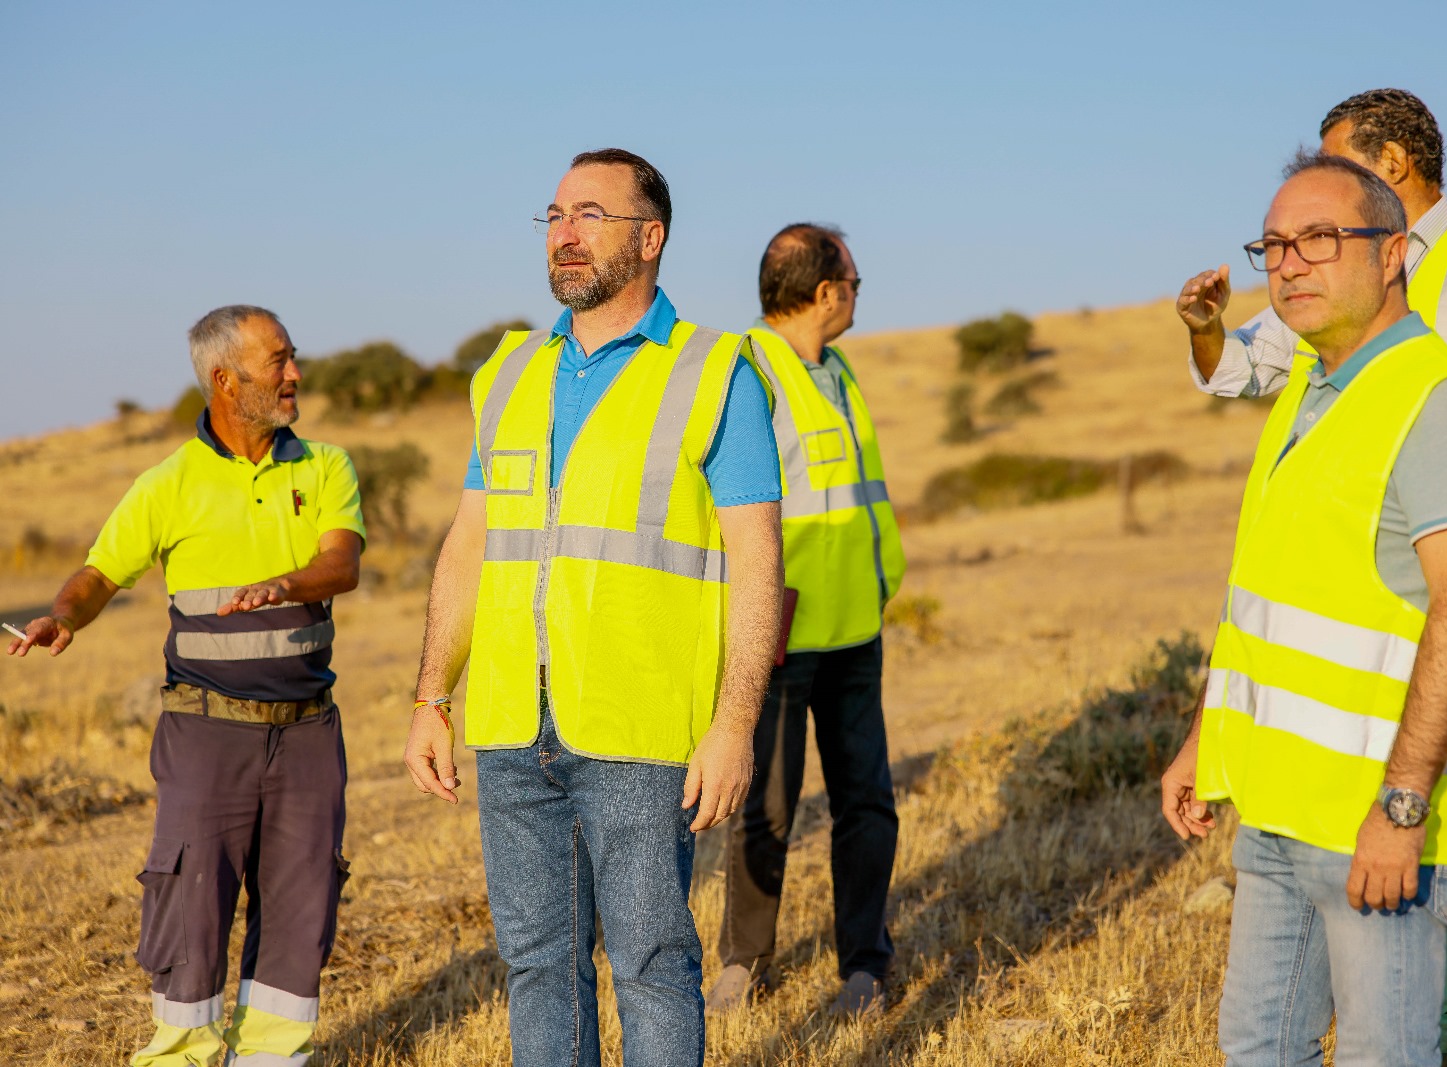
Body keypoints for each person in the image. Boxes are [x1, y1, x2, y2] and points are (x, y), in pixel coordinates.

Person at [1175, 89, 1447, 1067]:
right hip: (1284, 805)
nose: (1289, 265)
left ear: (1390, 220)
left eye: (1319, 236)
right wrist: (1204, 735)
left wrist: (1399, 808)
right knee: (1262, 1044)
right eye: (1275, 246)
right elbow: (1268, 592)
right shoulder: (1308, 384)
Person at [401, 148, 784, 1067]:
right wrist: (430, 697)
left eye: (590, 215)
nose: (564, 233)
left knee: (652, 961)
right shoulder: (508, 373)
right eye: (555, 214)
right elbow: (467, 547)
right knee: (536, 964)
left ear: (650, 238)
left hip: (640, 729)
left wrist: (735, 727)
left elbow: (758, 565)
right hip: (509, 725)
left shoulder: (713, 371)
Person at [7, 306, 365, 1067]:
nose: (296, 373)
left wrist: (284, 583)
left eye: (293, 356)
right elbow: (103, 570)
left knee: (303, 915)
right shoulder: (168, 482)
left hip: (309, 735)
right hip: (206, 734)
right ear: (225, 380)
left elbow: (344, 562)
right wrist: (65, 615)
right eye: (279, 361)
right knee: (191, 912)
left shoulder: (326, 464)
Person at [707, 224, 906, 1017]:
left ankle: (866, 965)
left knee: (868, 802)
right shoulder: (748, 373)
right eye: (854, 281)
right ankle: (742, 964)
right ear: (825, 291)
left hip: (857, 628)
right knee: (765, 807)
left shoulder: (839, 369)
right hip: (780, 638)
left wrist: (887, 579)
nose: (858, 293)